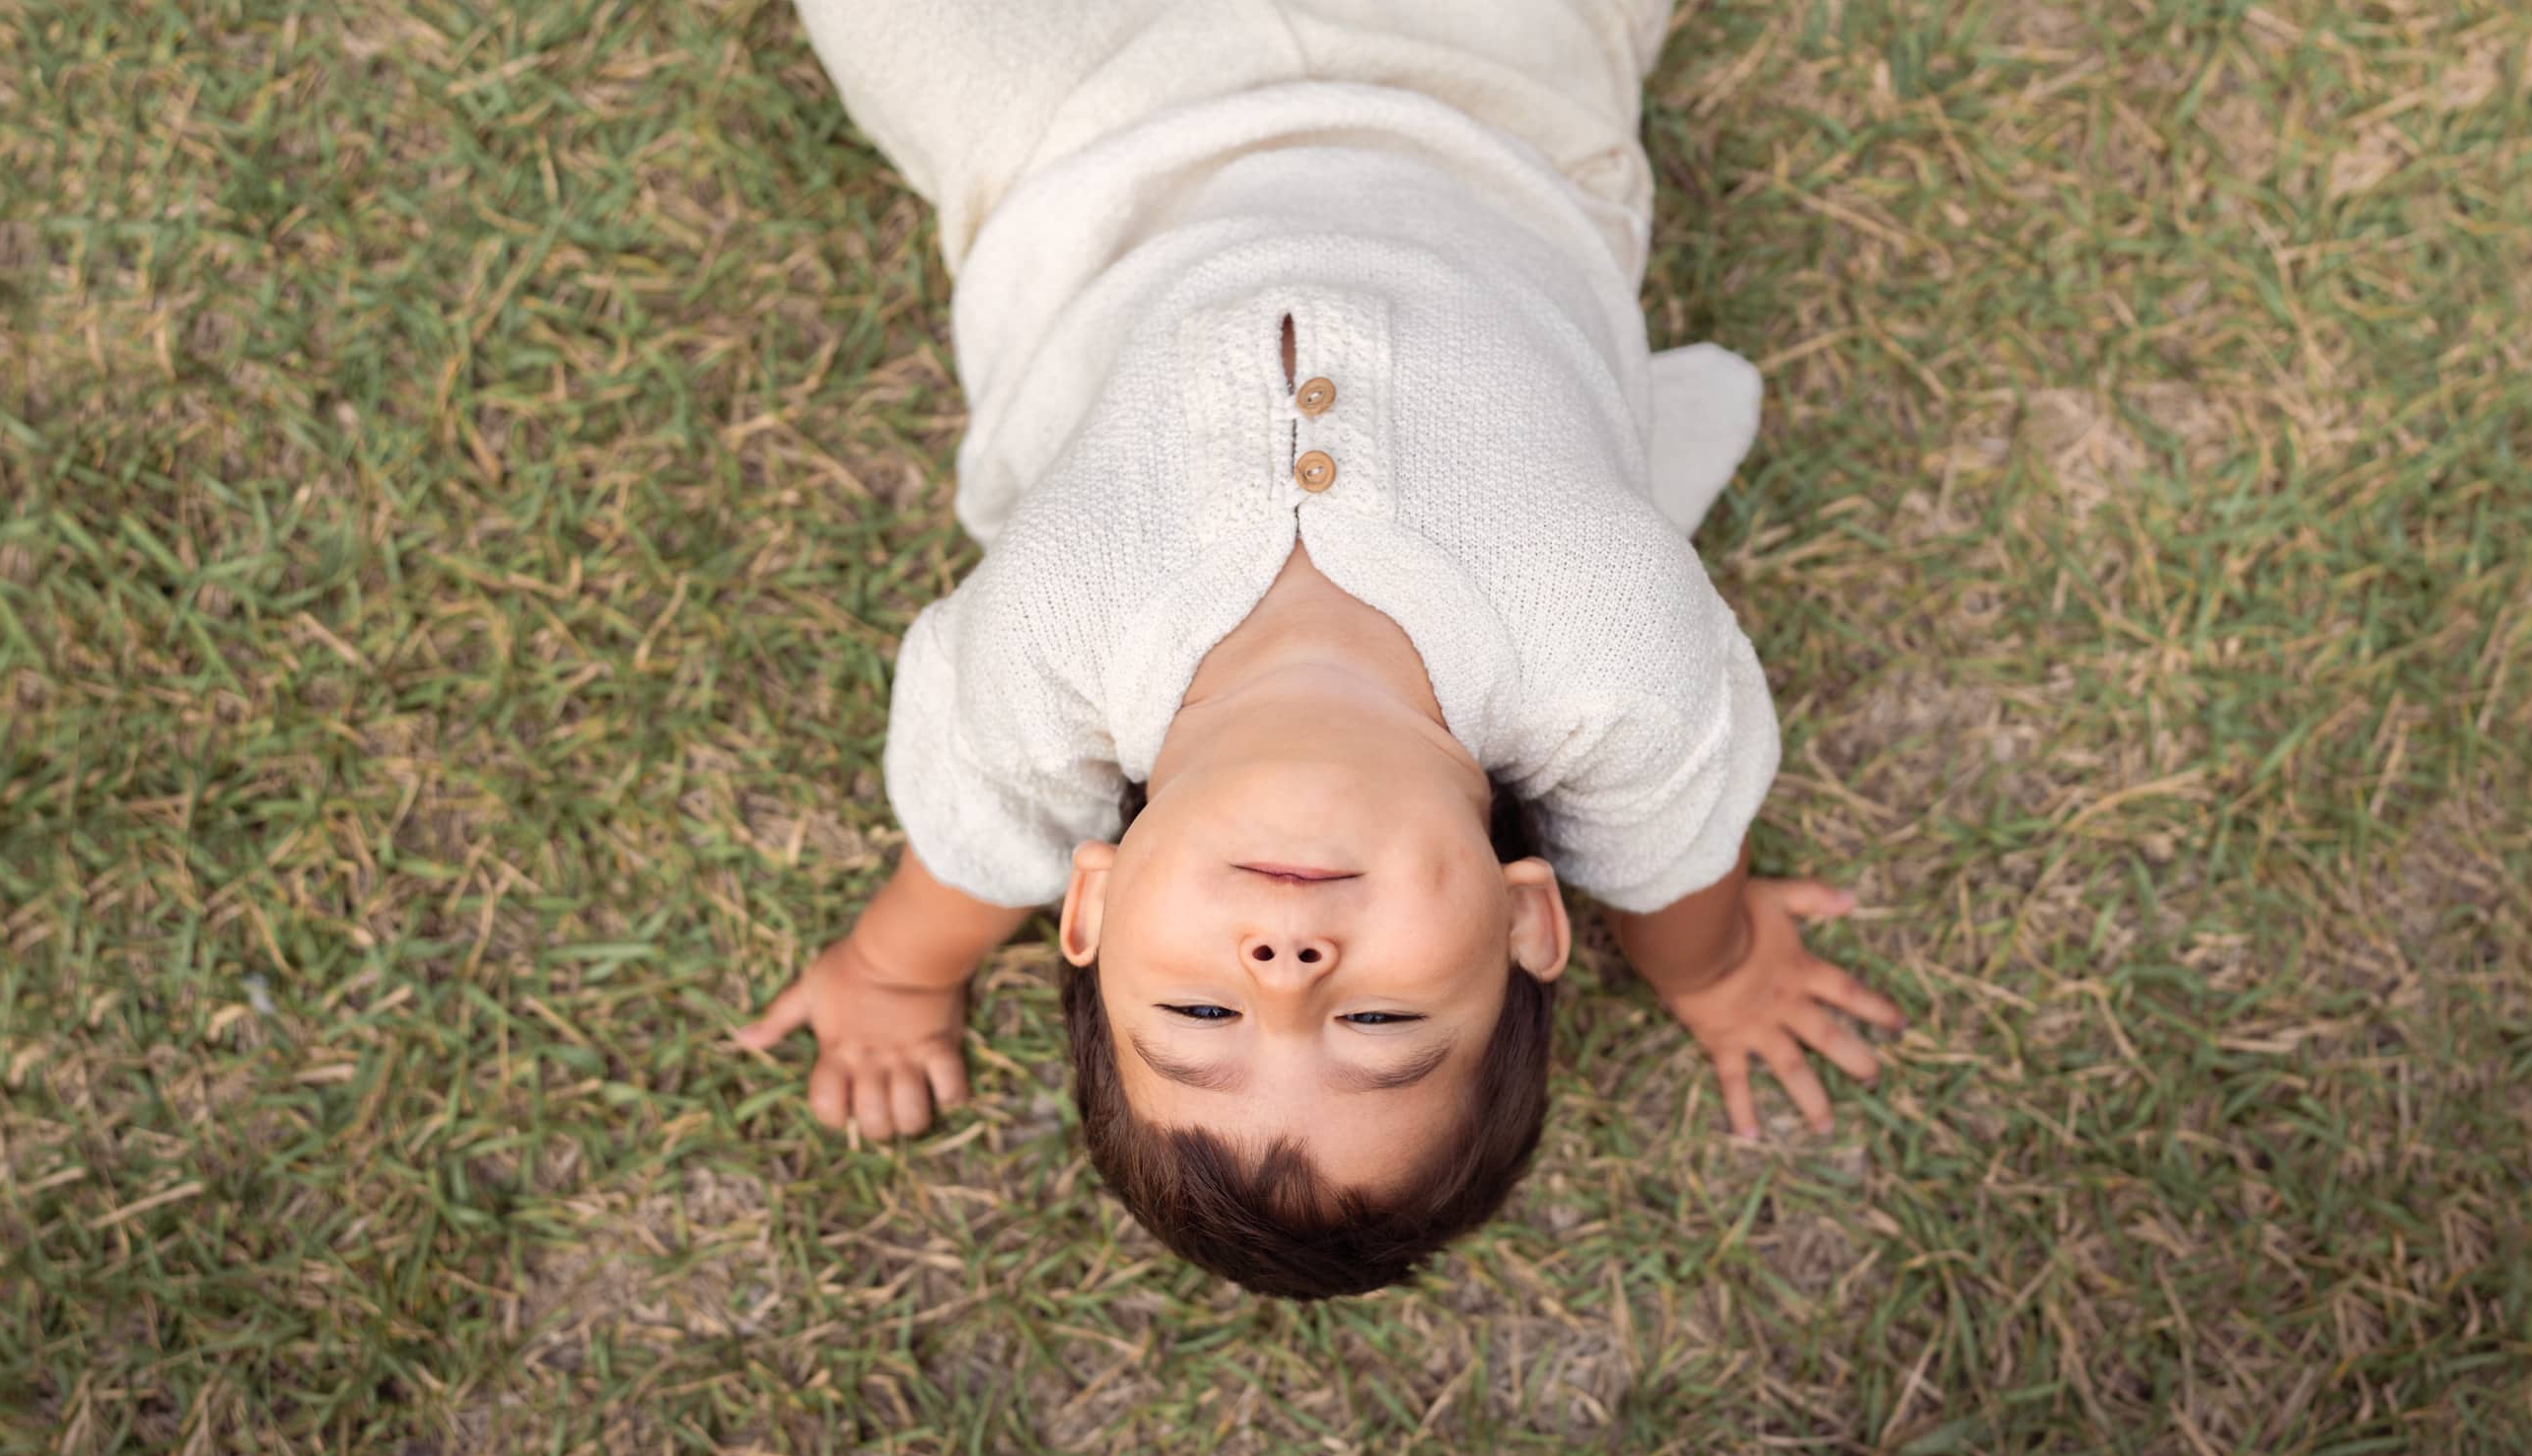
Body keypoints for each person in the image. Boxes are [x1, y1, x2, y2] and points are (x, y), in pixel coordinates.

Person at [736, 0, 1905, 1299]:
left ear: (1096, 905)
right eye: (1380, 1022)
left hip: (1085, 140)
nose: (1287, 978)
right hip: (1478, 89)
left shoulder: (1057, 653)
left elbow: (976, 817)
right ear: (1528, 917)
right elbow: (1672, 835)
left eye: (1197, 1017)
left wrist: (894, 975)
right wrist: (1726, 965)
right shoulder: (1607, 661)